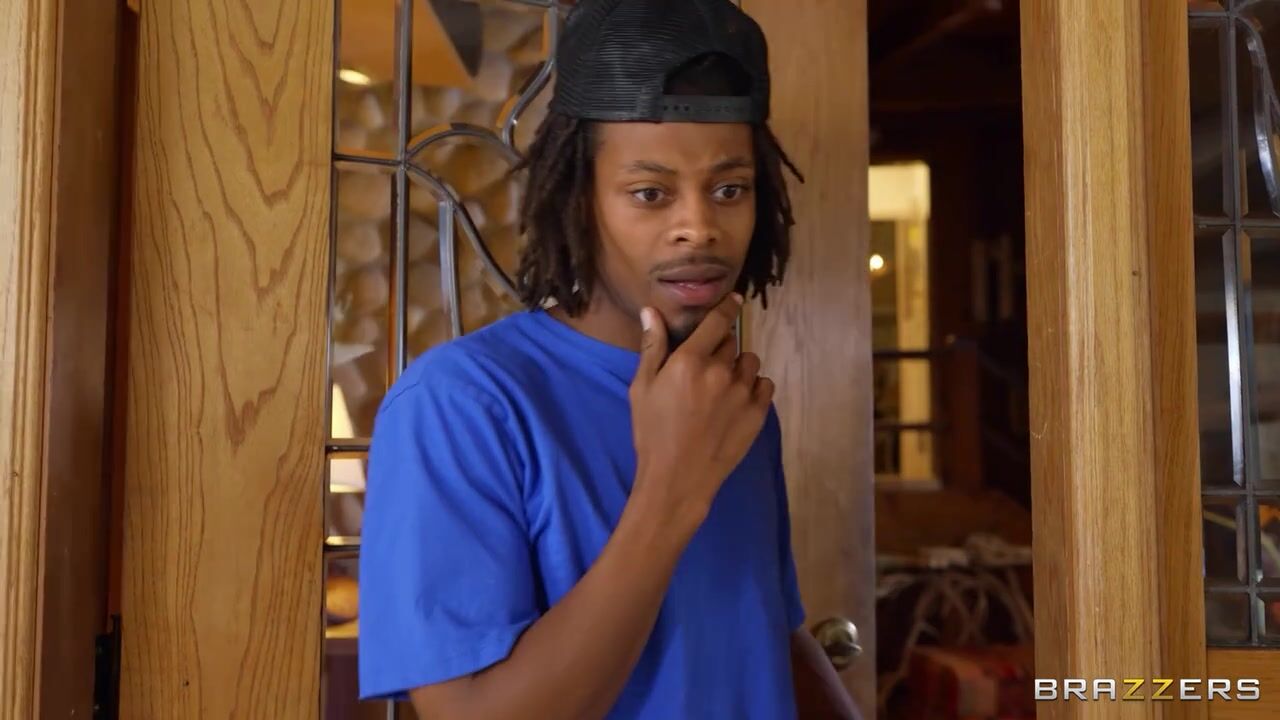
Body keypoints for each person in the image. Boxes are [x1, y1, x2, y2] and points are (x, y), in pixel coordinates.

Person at [357, 0, 860, 717]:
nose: (699, 227)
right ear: (578, 198)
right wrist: (671, 489)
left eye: (729, 189)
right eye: (650, 193)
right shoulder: (461, 404)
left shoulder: (728, 395)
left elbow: (767, 634)